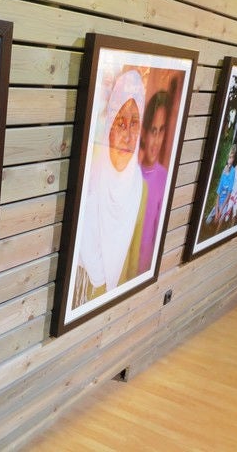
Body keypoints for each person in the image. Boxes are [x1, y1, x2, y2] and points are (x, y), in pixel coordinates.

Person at [72, 69, 148, 308]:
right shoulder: (89, 171)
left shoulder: (140, 189)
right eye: (120, 123)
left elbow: (135, 264)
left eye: (134, 124)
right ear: (108, 126)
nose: (127, 136)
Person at [138, 91, 169, 274]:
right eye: (153, 131)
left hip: (145, 274)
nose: (156, 141)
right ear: (143, 133)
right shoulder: (132, 175)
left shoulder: (164, 179)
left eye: (161, 131)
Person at [205, 144, 237, 229]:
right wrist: (216, 210)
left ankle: (217, 230)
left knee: (220, 219)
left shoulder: (233, 171)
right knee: (208, 220)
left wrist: (220, 212)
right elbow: (219, 192)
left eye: (232, 157)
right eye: (229, 157)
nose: (230, 159)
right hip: (219, 202)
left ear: (233, 159)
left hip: (225, 203)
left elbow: (229, 194)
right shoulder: (224, 170)